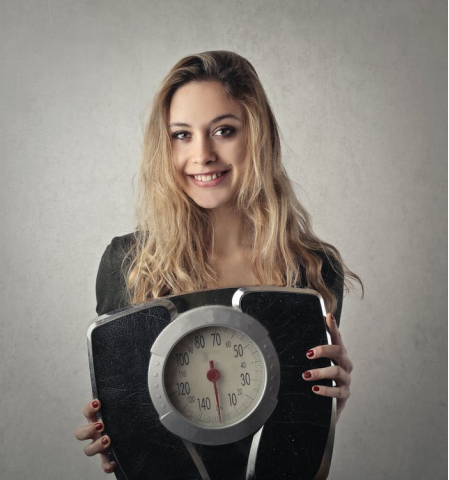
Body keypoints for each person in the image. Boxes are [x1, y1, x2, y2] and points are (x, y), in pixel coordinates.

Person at [74, 50, 362, 475]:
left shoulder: (313, 269)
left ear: (257, 136)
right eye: (182, 135)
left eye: (223, 130)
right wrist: (121, 439)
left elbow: (307, 469)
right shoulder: (129, 264)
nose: (203, 154)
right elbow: (140, 458)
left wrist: (327, 415)